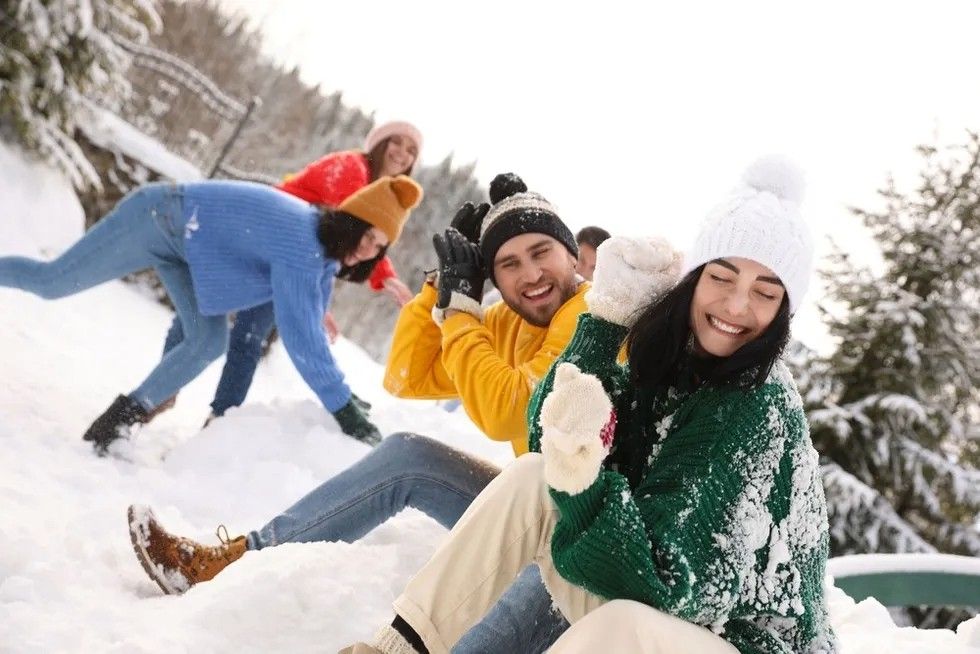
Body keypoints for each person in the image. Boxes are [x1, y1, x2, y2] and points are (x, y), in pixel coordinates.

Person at [341, 156, 838, 654]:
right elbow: (543, 437)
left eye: (765, 292)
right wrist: (607, 321)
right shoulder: (672, 355)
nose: (735, 306)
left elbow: (665, 586)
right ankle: (395, 648)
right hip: (653, 601)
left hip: (733, 640)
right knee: (533, 476)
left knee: (621, 624)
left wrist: (581, 481)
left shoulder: (756, 405)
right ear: (695, 278)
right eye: (722, 278)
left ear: (782, 312)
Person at [126, 173, 590, 654]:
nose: (530, 275)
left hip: (588, 546)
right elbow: (408, 374)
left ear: (570, 253)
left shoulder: (591, 317)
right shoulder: (509, 320)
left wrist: (459, 315)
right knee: (408, 456)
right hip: (530, 510)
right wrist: (442, 289)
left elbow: (509, 412)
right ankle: (235, 562)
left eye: (541, 253)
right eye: (508, 263)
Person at [0, 175, 422, 453]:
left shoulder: (322, 253)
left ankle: (117, 424)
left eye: (380, 245)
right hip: (156, 218)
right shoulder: (304, 242)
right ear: (349, 223)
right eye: (368, 234)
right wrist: (341, 406)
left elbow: (311, 315)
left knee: (207, 340)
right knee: (53, 282)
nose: (369, 249)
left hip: (186, 245)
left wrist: (344, 394)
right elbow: (301, 337)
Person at [156, 120, 422, 423]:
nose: (402, 153)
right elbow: (345, 232)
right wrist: (316, 302)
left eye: (411, 150)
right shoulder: (352, 169)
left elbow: (358, 239)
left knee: (248, 339)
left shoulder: (378, 194)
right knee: (202, 308)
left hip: (287, 259)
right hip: (262, 244)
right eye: (396, 142)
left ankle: (220, 420)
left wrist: (383, 276)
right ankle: (161, 391)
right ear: (379, 143)